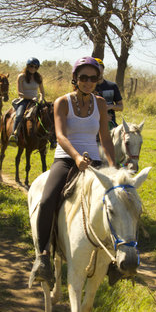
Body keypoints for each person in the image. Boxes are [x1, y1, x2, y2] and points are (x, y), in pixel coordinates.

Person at [29, 56, 116, 288]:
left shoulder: (100, 104)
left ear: (98, 80)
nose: (88, 82)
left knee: (119, 202)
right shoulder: (62, 102)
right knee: (47, 200)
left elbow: (105, 138)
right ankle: (43, 258)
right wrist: (76, 157)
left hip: (94, 162)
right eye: (83, 77)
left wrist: (113, 167)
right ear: (75, 79)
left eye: (93, 78)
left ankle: (116, 260)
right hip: (67, 159)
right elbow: (60, 136)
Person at [9, 57, 45, 145]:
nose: (33, 68)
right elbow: (20, 93)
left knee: (48, 115)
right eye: (32, 66)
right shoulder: (21, 76)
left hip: (35, 101)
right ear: (28, 66)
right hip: (24, 100)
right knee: (19, 115)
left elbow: (42, 92)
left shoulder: (38, 77)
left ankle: (50, 139)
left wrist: (41, 98)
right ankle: (14, 135)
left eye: (36, 67)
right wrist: (31, 98)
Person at [94, 58, 123, 129]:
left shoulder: (112, 86)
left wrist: (111, 106)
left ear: (103, 70)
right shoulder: (88, 87)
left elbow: (121, 107)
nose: (98, 74)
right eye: (96, 72)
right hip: (93, 126)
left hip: (110, 126)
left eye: (100, 72)